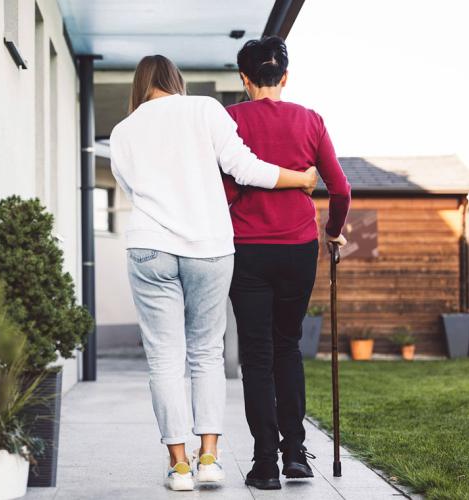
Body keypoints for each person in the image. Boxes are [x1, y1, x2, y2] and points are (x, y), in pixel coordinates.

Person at [108, 54, 318, 491]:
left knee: (165, 358)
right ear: (176, 80)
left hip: (150, 246)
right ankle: (209, 459)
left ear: (140, 85)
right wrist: (299, 179)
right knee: (206, 353)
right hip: (209, 247)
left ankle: (179, 466)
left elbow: (131, 190)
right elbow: (243, 168)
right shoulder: (205, 109)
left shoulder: (124, 131)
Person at [223, 37, 351, 490]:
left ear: (244, 78)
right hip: (298, 249)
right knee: (288, 346)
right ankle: (295, 453)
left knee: (256, 356)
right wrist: (333, 231)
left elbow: (223, 189)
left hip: (247, 250)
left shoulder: (230, 119)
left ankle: (263, 464)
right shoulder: (310, 120)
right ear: (285, 77)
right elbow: (341, 190)